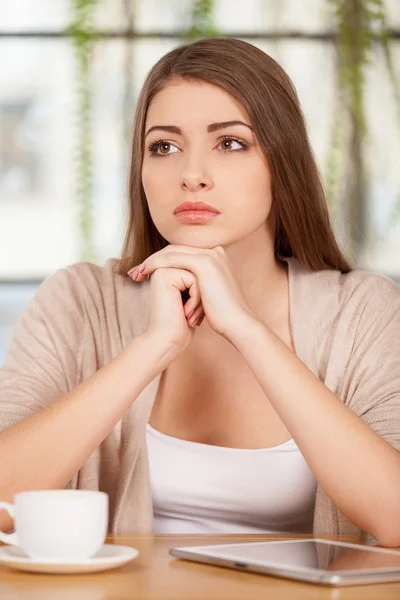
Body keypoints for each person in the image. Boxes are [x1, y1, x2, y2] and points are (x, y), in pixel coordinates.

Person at [0, 37, 399, 546]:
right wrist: (151, 349)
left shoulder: (361, 311)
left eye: (230, 143)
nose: (190, 175)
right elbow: (3, 504)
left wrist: (248, 330)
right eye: (163, 146)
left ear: (283, 163)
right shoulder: (79, 301)